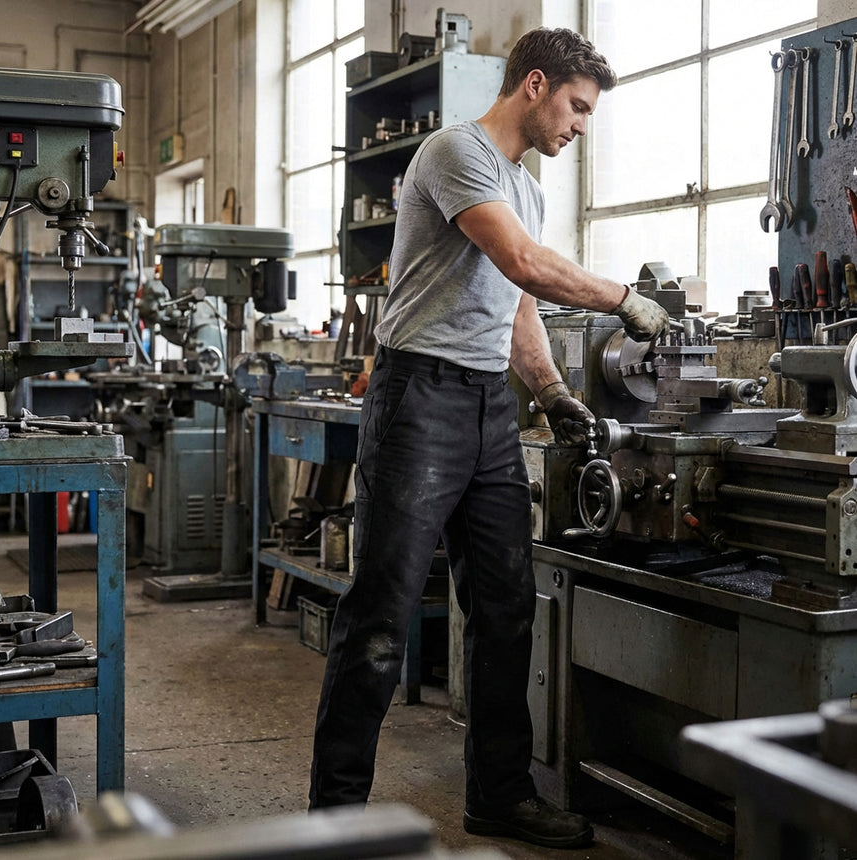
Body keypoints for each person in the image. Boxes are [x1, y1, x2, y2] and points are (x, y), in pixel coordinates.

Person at [309, 26, 668, 850]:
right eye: (577, 107)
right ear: (534, 85)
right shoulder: (453, 152)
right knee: (381, 617)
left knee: (506, 608)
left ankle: (499, 796)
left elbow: (521, 311)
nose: (581, 127)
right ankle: (333, 822)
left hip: (486, 408)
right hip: (418, 399)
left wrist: (551, 392)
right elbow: (523, 265)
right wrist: (623, 298)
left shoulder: (527, 189)